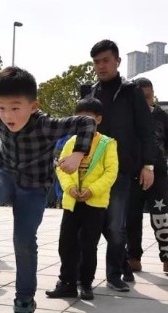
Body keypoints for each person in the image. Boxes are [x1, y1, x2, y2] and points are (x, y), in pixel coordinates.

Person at [0, 66, 96, 313]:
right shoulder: (0, 112)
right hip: (6, 173)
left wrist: (78, 154)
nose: (8, 116)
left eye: (16, 108)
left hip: (34, 188)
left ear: (33, 106)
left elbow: (86, 122)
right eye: (3, 108)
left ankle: (24, 302)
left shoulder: (46, 125)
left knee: (23, 243)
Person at [80, 40, 157, 292]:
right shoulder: (90, 93)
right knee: (91, 226)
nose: (100, 66)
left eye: (105, 60)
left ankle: (114, 275)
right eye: (96, 62)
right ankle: (103, 269)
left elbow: (146, 130)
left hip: (120, 170)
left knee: (115, 226)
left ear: (117, 61)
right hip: (90, 170)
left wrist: (148, 165)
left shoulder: (131, 92)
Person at [46, 97, 118, 301]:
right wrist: (69, 188)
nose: (83, 123)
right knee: (66, 244)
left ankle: (85, 283)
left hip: (94, 204)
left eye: (88, 119)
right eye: (79, 119)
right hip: (72, 203)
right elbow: (61, 168)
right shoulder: (70, 142)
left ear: (99, 119)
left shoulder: (107, 144)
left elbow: (111, 172)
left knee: (88, 246)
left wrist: (92, 190)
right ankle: (67, 282)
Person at [125, 77, 168, 276]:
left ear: (153, 95)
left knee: (162, 217)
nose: (144, 102)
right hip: (132, 176)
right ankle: (133, 258)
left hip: (158, 175)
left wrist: (153, 163)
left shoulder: (162, 117)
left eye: (147, 97)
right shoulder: (126, 117)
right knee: (131, 218)